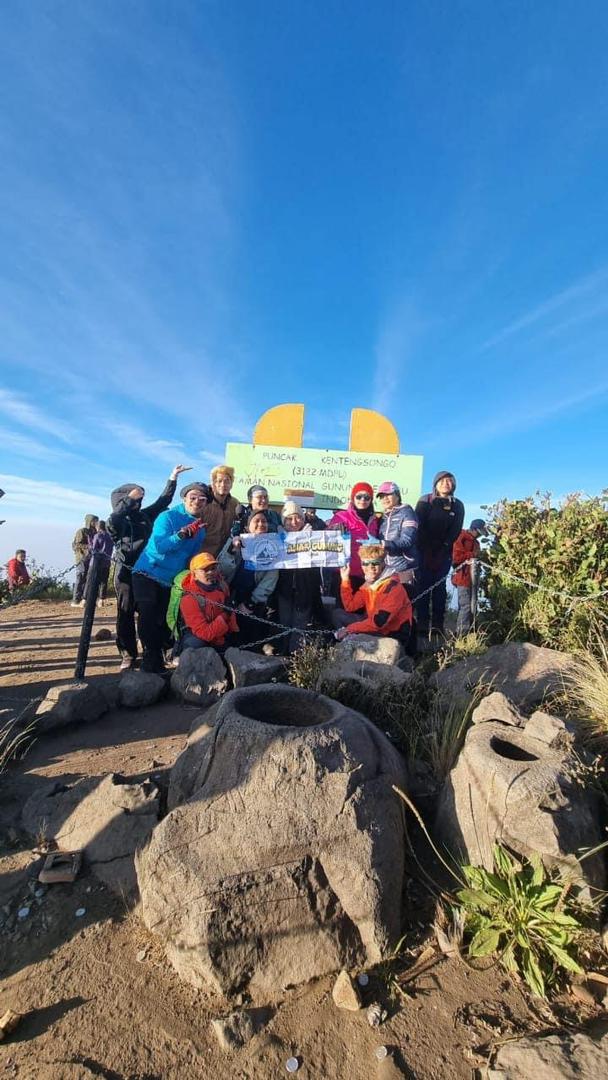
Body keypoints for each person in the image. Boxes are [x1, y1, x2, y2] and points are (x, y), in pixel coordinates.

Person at [107, 465, 192, 669]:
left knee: (154, 612)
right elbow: (114, 518)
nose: (139, 501)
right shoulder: (118, 522)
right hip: (126, 572)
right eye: (135, 498)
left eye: (139, 498)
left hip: (149, 570)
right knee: (125, 613)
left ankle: (156, 649)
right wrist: (129, 499)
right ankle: (128, 654)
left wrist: (172, 478)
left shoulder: (145, 516)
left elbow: (164, 501)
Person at [131, 483, 208, 672]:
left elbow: (190, 557)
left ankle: (163, 653)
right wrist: (181, 535)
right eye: (193, 497)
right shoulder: (167, 517)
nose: (197, 502)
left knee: (165, 618)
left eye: (202, 499)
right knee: (147, 613)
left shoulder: (201, 529)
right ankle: (150, 656)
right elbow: (159, 547)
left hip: (170, 579)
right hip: (147, 572)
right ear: (184, 499)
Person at [333, 543, 413, 645]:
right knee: (337, 614)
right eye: (365, 563)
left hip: (391, 633)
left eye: (375, 563)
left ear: (383, 564)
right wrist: (345, 579)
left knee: (354, 630)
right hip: (374, 625)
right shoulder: (369, 583)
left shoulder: (393, 588)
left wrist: (349, 629)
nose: (370, 568)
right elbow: (350, 606)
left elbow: (379, 622)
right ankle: (348, 642)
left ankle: (350, 641)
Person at [415, 471, 465, 635]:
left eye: (449, 481)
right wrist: (427, 549)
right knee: (423, 586)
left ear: (454, 485)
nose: (445, 484)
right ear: (435, 484)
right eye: (442, 481)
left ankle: (437, 626)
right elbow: (418, 525)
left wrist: (443, 548)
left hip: (444, 552)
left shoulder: (458, 505)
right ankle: (422, 624)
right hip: (423, 550)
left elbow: (456, 530)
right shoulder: (425, 500)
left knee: (439, 588)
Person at [222, 510, 280, 646]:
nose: (261, 524)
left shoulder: (272, 546)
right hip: (231, 594)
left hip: (254, 599)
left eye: (264, 521)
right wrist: (231, 551)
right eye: (257, 521)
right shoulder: (236, 541)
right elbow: (222, 570)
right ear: (248, 526)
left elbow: (270, 579)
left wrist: (251, 602)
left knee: (250, 635)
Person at [276, 501, 325, 654]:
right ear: (284, 521)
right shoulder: (276, 538)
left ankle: (295, 659)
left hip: (305, 589)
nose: (294, 522)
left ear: (303, 519)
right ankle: (282, 655)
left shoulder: (315, 536)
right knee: (284, 622)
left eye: (297, 517)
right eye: (289, 519)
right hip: (284, 590)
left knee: (300, 624)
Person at [176, 552, 239, 656]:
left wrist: (234, 633)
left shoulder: (222, 586)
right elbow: (204, 633)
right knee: (196, 644)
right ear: (194, 574)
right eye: (205, 569)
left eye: (213, 568)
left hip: (220, 635)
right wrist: (225, 615)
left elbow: (230, 617)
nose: (210, 572)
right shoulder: (189, 598)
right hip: (200, 638)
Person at [327, 482, 380, 588]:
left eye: (367, 497)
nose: (363, 500)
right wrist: (333, 530)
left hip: (368, 574)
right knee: (345, 604)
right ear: (353, 498)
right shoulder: (341, 517)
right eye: (359, 496)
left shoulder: (375, 520)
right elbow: (328, 539)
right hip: (345, 573)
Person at [376, 481, 419, 594]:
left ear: (397, 495)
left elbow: (407, 540)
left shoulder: (407, 512)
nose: (385, 499)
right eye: (381, 496)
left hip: (404, 569)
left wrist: (384, 544)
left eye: (388, 494)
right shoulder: (383, 517)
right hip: (386, 570)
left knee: (404, 607)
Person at [452, 519, 487, 636]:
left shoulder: (476, 543)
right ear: (473, 529)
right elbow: (456, 558)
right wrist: (472, 555)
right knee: (466, 605)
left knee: (473, 604)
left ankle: (472, 631)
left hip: (473, 578)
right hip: (462, 577)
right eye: (479, 532)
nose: (480, 535)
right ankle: (461, 634)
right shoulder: (461, 537)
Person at [200, 465, 243, 556]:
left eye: (227, 481)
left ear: (231, 484)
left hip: (223, 556)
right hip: (201, 555)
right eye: (219, 481)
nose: (223, 485)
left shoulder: (235, 503)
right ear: (213, 483)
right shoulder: (203, 502)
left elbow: (240, 524)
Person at [71, 514, 99, 606]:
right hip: (82, 558)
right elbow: (76, 545)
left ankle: (85, 599)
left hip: (91, 559)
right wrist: (88, 547)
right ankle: (76, 600)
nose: (95, 523)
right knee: (80, 578)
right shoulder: (81, 531)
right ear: (89, 521)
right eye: (94, 521)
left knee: (88, 579)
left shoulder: (95, 532)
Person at [87, 521, 114, 607]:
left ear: (98, 527)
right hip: (107, 562)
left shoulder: (97, 535)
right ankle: (101, 600)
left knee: (92, 581)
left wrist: (89, 542)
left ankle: (90, 600)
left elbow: (93, 549)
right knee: (103, 582)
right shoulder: (110, 537)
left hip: (96, 563)